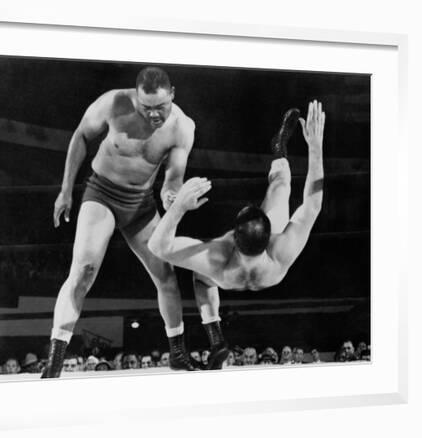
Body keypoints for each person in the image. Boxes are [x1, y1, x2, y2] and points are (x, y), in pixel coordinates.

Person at [42, 67, 225, 378]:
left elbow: (173, 177)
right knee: (83, 272)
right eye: (146, 107)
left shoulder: (182, 127)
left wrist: (172, 196)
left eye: (161, 107)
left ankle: (177, 353)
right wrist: (65, 191)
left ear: (173, 95)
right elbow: (81, 136)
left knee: (165, 274)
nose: (154, 115)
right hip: (101, 193)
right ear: (136, 97)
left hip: (141, 204)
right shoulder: (113, 103)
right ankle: (54, 362)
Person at [148, 100, 325, 298]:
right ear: (271, 237)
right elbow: (312, 205)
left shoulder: (217, 256)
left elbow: (158, 247)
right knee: (282, 184)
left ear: (232, 237)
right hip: (266, 274)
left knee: (202, 279)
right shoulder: (281, 252)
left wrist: (178, 207)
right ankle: (278, 147)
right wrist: (315, 148)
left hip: (224, 277)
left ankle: (210, 319)